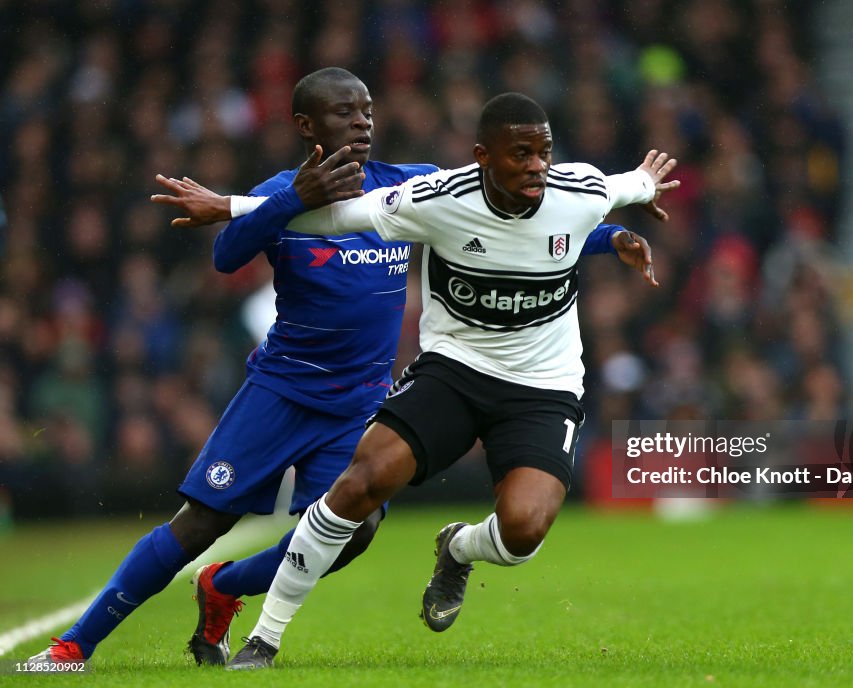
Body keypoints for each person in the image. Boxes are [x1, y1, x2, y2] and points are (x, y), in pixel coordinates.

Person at [27, 70, 653, 671]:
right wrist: (289, 201)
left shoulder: (409, 187)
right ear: (305, 124)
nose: (362, 123)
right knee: (201, 524)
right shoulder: (282, 190)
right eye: (344, 112)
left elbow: (513, 222)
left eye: (368, 112)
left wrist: (609, 239)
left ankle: (223, 586)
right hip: (283, 387)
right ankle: (75, 647)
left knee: (351, 534)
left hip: (359, 399)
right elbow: (227, 255)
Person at [216, 92, 679, 669]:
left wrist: (641, 192)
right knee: (362, 482)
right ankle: (265, 638)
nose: (537, 165)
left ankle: (458, 547)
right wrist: (234, 208)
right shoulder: (436, 199)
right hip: (456, 368)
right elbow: (336, 216)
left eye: (544, 152)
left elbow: (627, 185)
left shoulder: (577, 190)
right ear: (483, 157)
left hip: (544, 384)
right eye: (521, 154)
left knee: (523, 533)